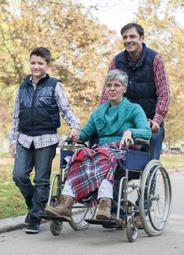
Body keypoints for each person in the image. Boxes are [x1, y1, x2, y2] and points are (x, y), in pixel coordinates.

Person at [45, 69, 152, 222]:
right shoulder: (99, 112)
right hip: (101, 151)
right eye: (109, 85)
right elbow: (86, 133)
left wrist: (131, 132)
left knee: (105, 157)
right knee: (78, 157)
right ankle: (65, 205)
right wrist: (76, 135)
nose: (112, 89)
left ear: (124, 88)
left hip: (124, 151)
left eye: (117, 85)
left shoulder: (134, 109)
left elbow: (147, 132)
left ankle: (105, 204)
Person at [8, 47, 80, 234]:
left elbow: (66, 109)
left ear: (47, 65)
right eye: (33, 62)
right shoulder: (21, 88)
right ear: (29, 63)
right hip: (24, 138)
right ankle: (35, 207)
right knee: (19, 175)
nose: (36, 66)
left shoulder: (55, 85)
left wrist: (74, 126)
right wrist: (13, 140)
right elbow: (15, 116)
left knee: (41, 180)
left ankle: (35, 216)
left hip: (46, 138)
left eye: (40, 63)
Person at [100, 23, 170, 160]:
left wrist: (157, 120)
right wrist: (102, 115)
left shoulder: (155, 59)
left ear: (141, 38)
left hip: (150, 120)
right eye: (125, 37)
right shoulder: (117, 61)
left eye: (132, 36)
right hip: (123, 120)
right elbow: (107, 92)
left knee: (149, 162)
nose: (128, 40)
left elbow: (164, 94)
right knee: (112, 158)